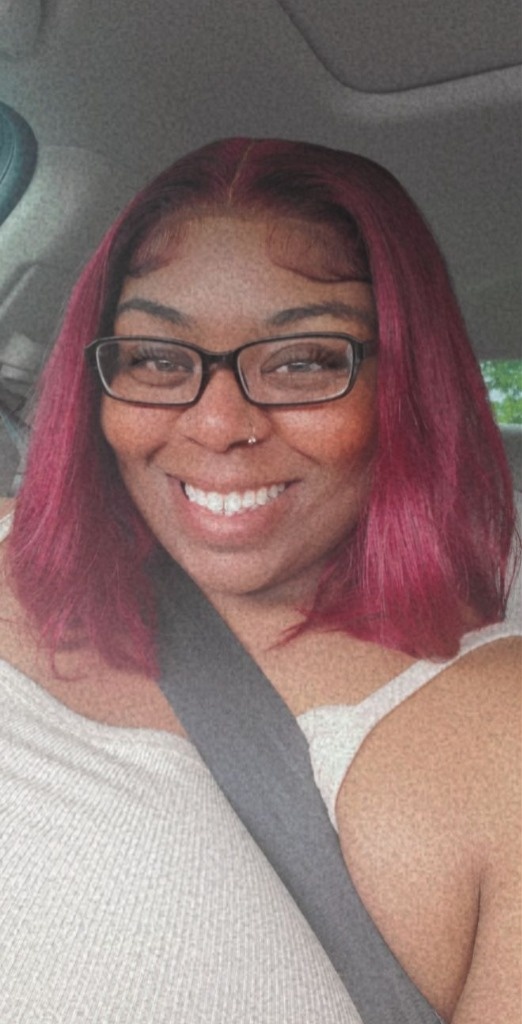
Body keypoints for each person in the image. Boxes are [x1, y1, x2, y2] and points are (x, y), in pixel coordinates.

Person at [0, 137, 520, 1023]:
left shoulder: (497, 740)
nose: (217, 424)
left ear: (404, 388)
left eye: (305, 361)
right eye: (157, 358)